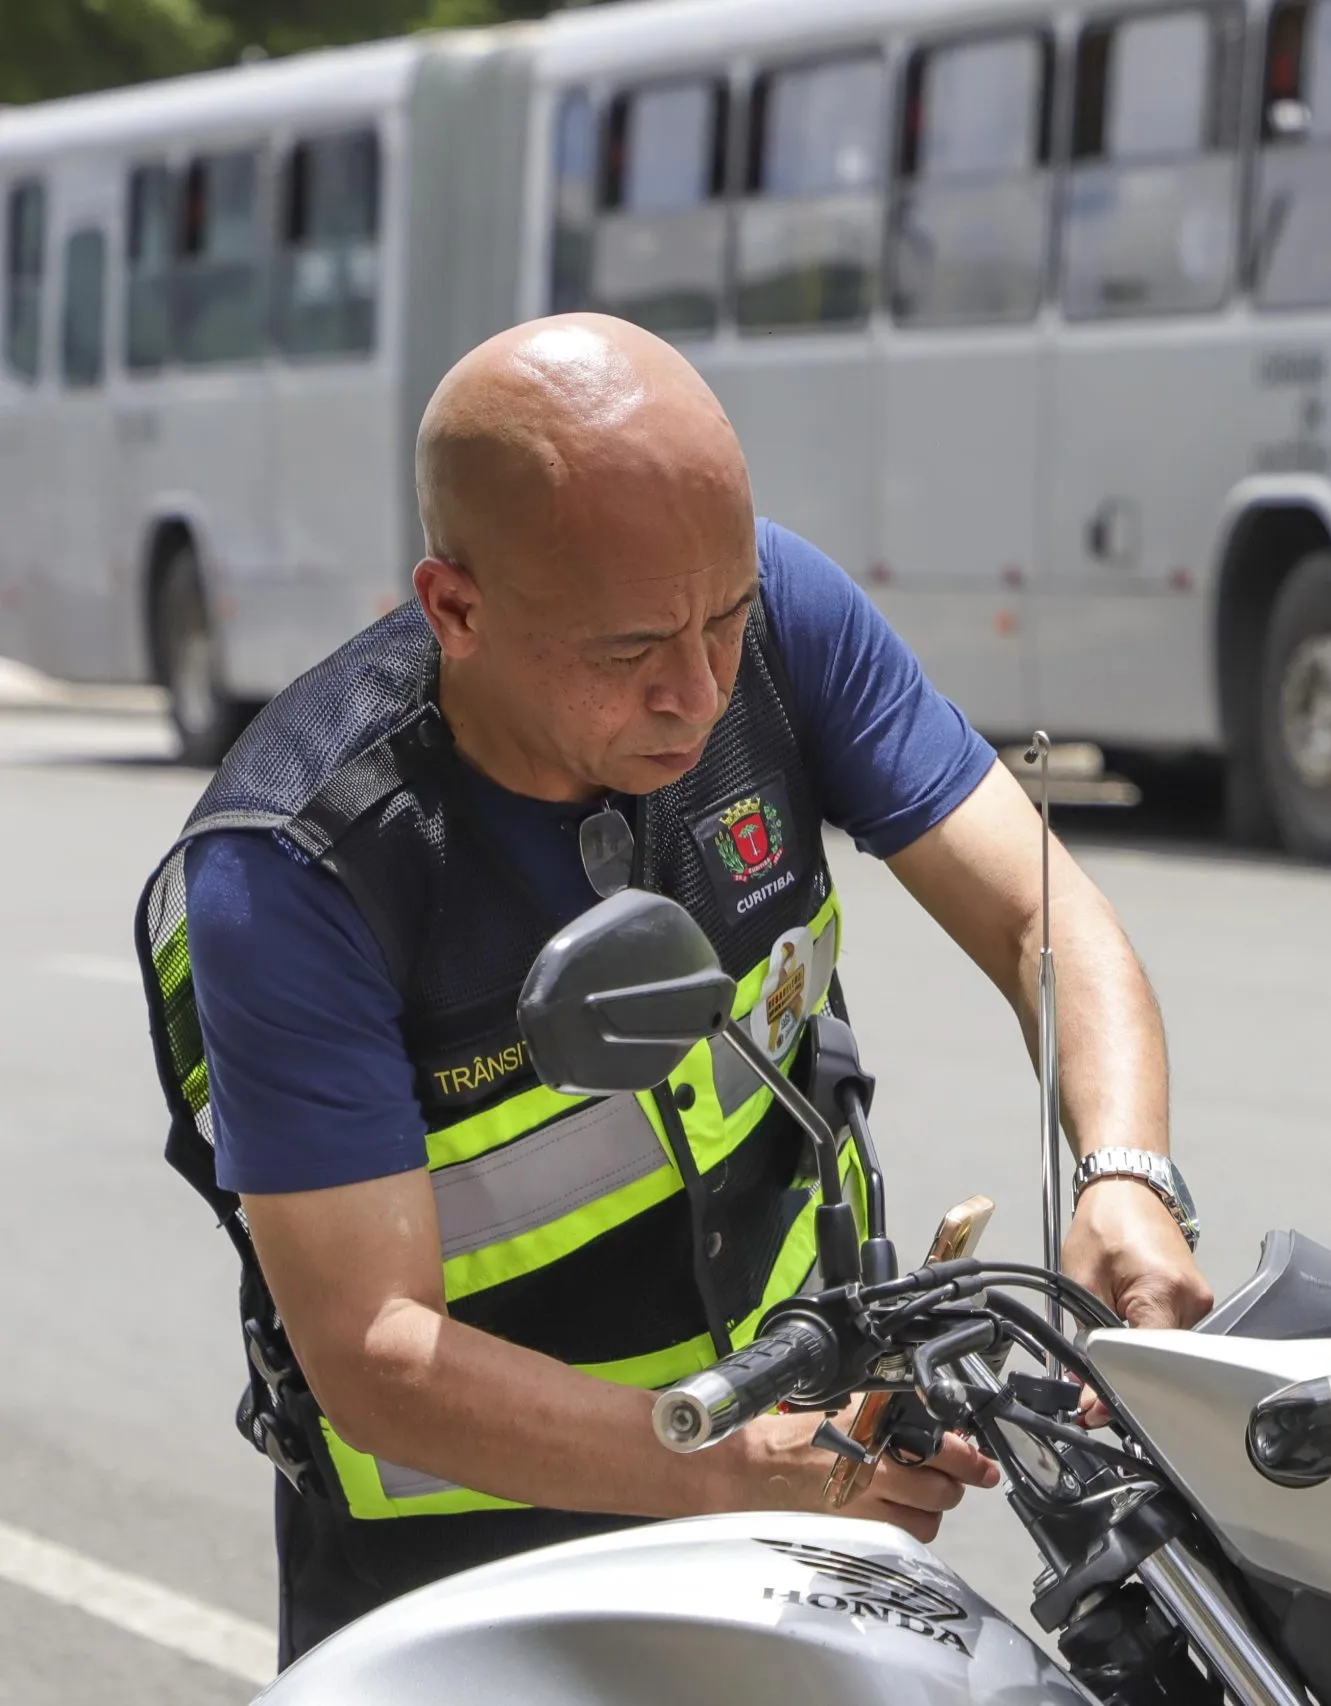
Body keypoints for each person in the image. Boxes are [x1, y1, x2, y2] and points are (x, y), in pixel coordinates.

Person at [135, 315, 1214, 1662]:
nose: (700, 692)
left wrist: (1124, 1175)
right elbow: (373, 1350)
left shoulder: (780, 616)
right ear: (455, 607)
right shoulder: (299, 866)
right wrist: (722, 1461)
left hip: (783, 1489)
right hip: (460, 1583)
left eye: (725, 620)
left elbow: (1041, 916)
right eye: (631, 650)